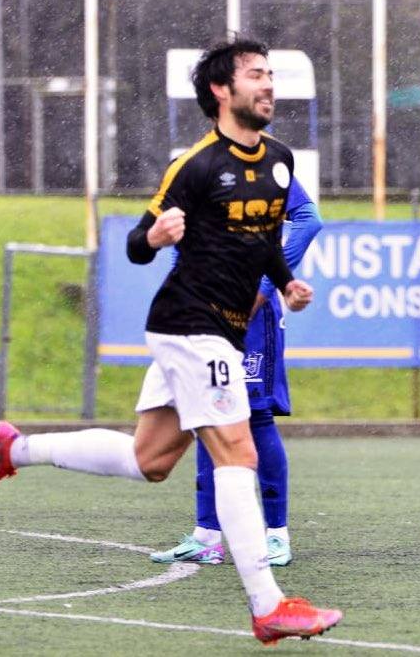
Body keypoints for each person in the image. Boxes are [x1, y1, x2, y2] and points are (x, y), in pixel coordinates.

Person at [0, 37, 342, 645]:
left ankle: (16, 450)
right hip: (192, 326)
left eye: (271, 74)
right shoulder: (194, 167)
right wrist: (160, 235)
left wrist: (285, 282)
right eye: (256, 75)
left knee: (152, 460)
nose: (269, 85)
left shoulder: (279, 159)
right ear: (222, 91)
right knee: (237, 453)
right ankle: (267, 605)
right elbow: (137, 244)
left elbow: (264, 237)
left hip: (210, 329)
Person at [149, 177, 322, 568]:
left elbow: (309, 221)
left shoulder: (266, 166)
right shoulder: (199, 166)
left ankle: (276, 535)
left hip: (250, 313)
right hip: (202, 310)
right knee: (206, 414)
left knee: (255, 416)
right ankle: (207, 536)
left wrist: (264, 286)